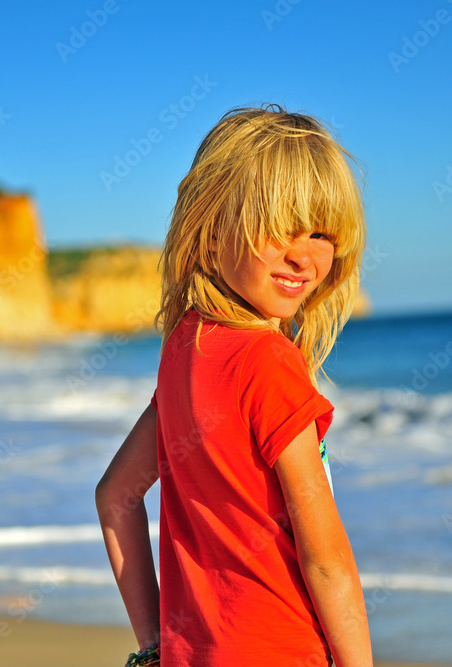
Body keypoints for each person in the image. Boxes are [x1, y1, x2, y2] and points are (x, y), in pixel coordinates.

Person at [96, 104, 372, 666]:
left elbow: (116, 496)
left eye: (321, 232)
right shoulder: (267, 361)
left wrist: (153, 645)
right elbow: (326, 560)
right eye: (279, 226)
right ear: (214, 223)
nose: (303, 253)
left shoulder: (186, 349)